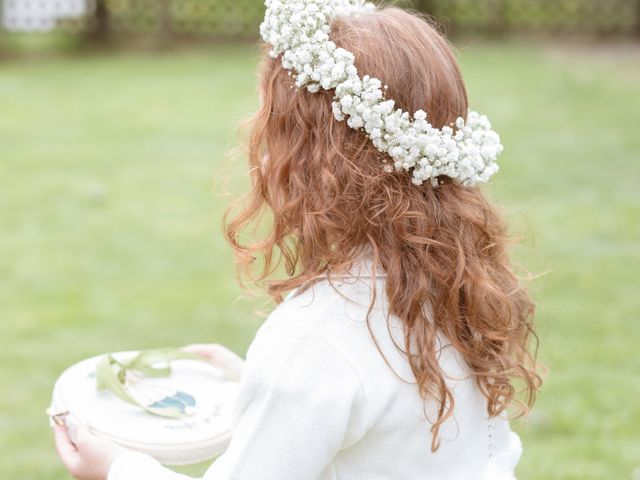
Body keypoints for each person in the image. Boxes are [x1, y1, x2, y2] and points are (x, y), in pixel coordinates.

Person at [53, 2, 542, 479]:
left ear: (322, 163)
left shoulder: (316, 338)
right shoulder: (453, 283)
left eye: (278, 132)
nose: (263, 156)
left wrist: (118, 467)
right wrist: (261, 391)